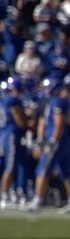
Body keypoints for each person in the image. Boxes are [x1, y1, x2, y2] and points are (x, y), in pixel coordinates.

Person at [24, 76, 70, 213]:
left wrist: (53, 140)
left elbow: (59, 123)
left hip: (58, 141)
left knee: (42, 170)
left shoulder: (57, 102)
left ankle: (37, 201)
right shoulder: (59, 101)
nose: (45, 90)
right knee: (66, 172)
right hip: (64, 140)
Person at [0, 76, 31, 209]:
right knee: (10, 167)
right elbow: (21, 122)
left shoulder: (4, 100)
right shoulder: (12, 100)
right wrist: (28, 116)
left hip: (5, 134)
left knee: (11, 166)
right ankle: (5, 197)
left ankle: (10, 195)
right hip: (12, 135)